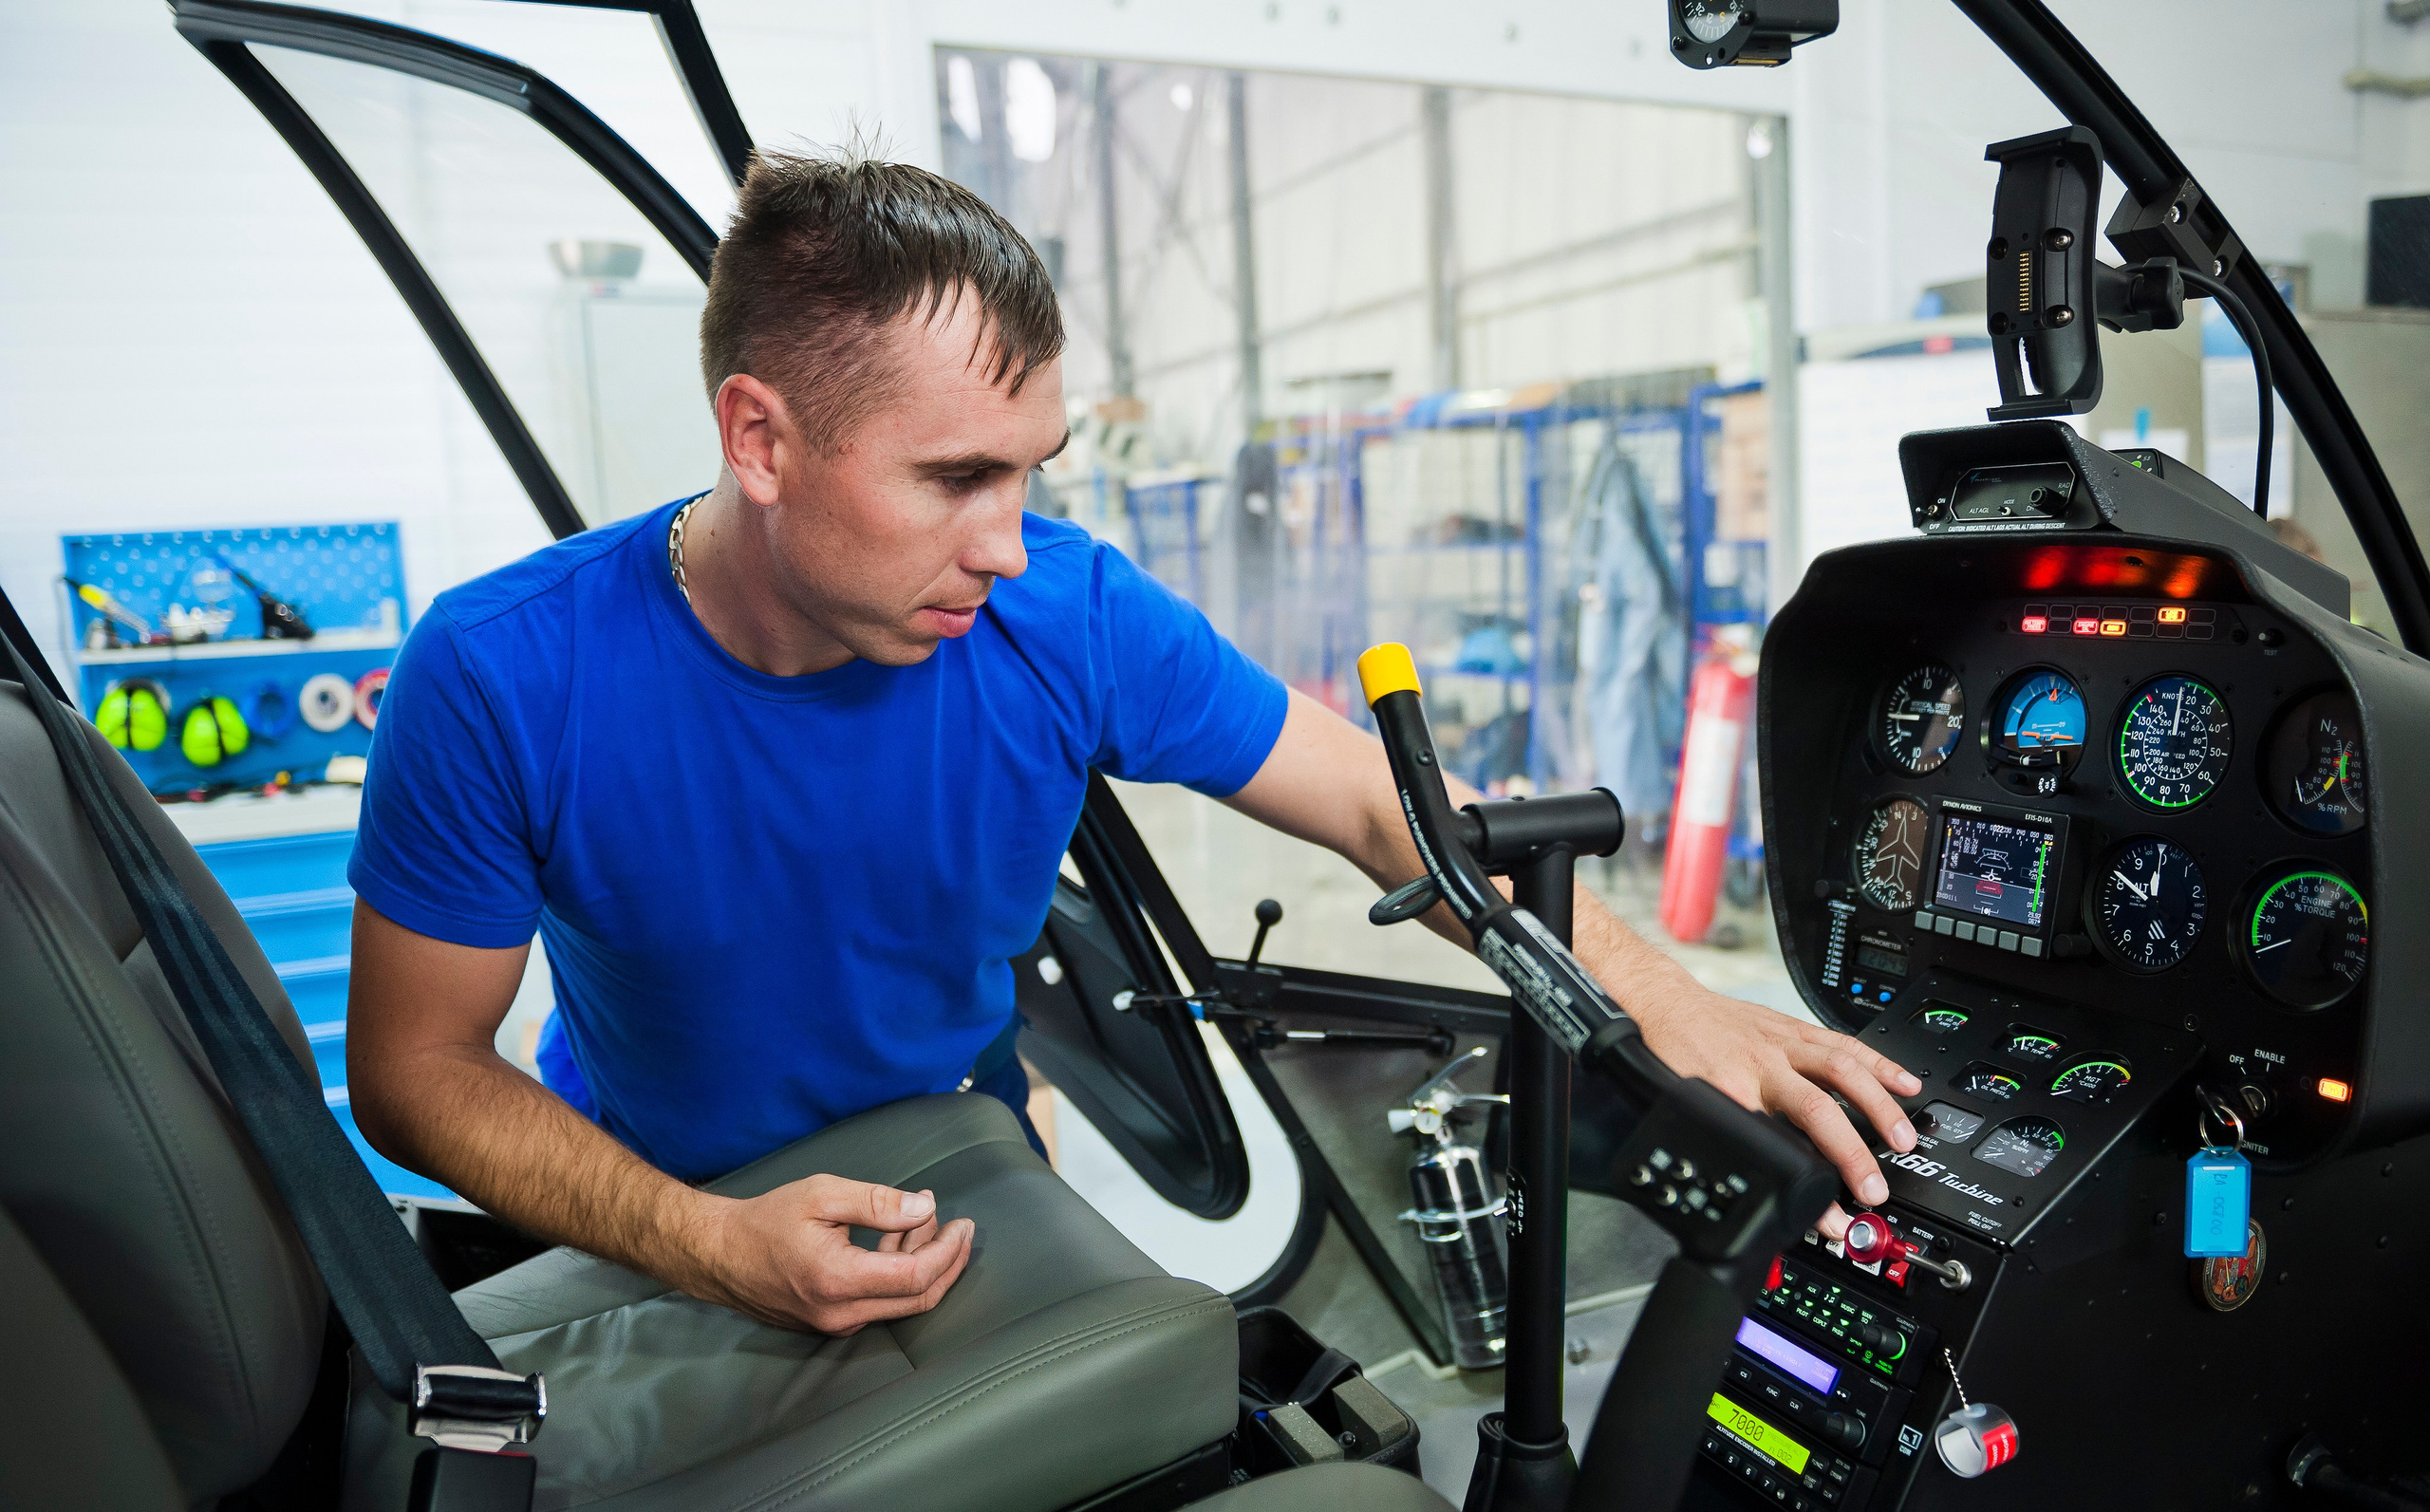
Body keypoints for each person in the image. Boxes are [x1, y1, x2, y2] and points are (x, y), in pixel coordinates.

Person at [346, 151, 1919, 1340]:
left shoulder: (1072, 619)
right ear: (760, 438)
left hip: (955, 1168)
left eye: (1031, 473)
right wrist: (707, 1239)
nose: (1010, 544)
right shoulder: (501, 675)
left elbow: (1384, 815)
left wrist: (1665, 1000)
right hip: (658, 1214)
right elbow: (414, 1073)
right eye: (954, 477)